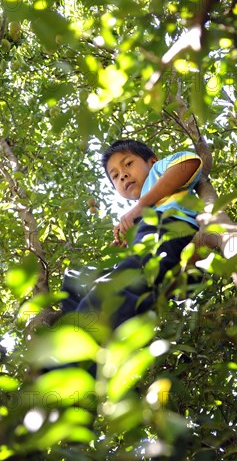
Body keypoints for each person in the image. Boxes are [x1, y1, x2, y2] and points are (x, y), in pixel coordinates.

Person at [61, 139, 203, 336]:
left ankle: (82, 345)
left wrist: (141, 206)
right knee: (76, 278)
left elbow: (189, 163)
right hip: (148, 243)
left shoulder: (158, 171)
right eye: (115, 176)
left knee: (117, 289)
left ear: (152, 161)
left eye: (128, 164)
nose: (123, 175)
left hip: (170, 228)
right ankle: (78, 331)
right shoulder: (140, 214)